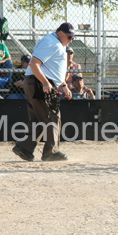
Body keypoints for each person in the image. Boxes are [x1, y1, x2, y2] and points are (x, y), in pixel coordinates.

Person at [12, 22, 74, 162]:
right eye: (69, 37)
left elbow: (52, 68)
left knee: (39, 118)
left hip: (37, 82)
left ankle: (24, 148)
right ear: (60, 33)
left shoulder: (54, 42)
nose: (70, 40)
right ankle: (50, 152)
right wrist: (45, 83)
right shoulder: (51, 42)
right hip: (40, 83)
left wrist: (63, 85)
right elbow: (34, 64)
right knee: (52, 116)